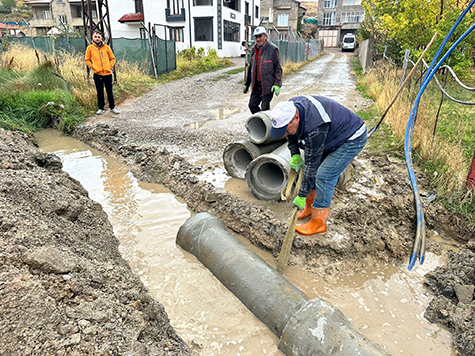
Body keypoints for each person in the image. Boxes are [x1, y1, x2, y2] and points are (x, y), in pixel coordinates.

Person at [270, 96, 367, 236]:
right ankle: (309, 208)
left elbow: (311, 166)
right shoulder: (289, 108)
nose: (283, 133)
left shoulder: (314, 127)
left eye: (285, 129)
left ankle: (318, 223)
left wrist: (301, 195)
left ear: (296, 118)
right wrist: (295, 153)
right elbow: (291, 133)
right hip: (330, 135)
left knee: (324, 175)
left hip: (351, 138)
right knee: (315, 170)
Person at [243, 26, 282, 114]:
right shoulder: (254, 50)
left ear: (265, 36)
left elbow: (278, 68)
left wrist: (277, 84)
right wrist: (247, 83)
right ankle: (261, 121)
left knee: (265, 108)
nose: (258, 39)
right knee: (252, 105)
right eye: (256, 37)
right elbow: (251, 68)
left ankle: (266, 124)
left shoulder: (273, 49)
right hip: (256, 86)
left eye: (260, 36)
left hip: (267, 85)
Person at [85, 30, 119, 115]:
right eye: (95, 37)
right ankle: (101, 108)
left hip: (107, 74)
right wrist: (93, 67)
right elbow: (87, 60)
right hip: (97, 74)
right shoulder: (90, 48)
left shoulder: (106, 47)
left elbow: (113, 58)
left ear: (101, 38)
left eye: (98, 37)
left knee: (109, 91)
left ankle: (112, 107)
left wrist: (109, 66)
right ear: (92, 38)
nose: (97, 38)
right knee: (99, 92)